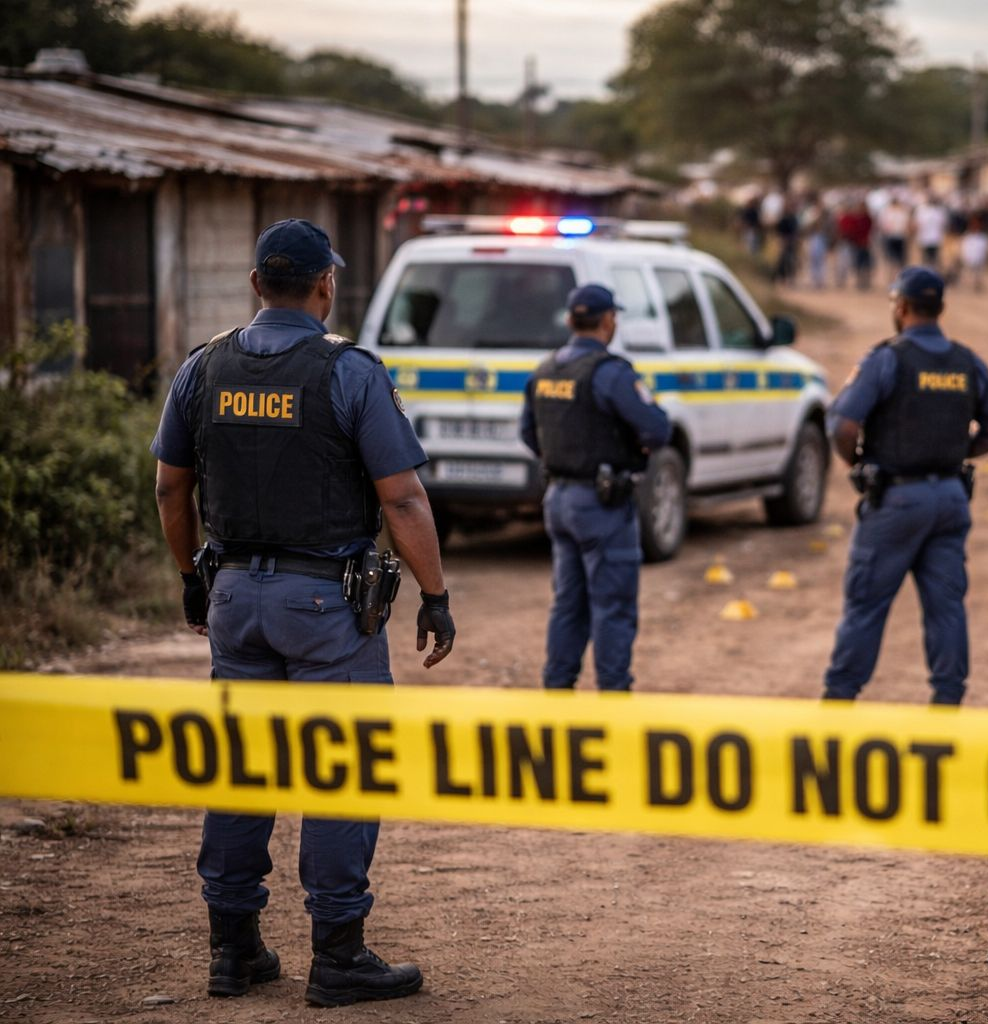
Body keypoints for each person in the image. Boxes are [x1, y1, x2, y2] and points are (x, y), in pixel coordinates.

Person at [152, 218, 456, 1007]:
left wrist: (191, 578)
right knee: (341, 767)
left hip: (233, 600)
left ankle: (234, 951)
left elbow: (170, 486)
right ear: (326, 285)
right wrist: (435, 595)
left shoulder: (202, 367)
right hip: (325, 606)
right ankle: (339, 956)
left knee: (241, 767)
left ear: (257, 283)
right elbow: (403, 498)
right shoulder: (349, 372)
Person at [821, 267, 988, 706]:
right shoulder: (967, 362)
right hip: (950, 499)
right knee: (946, 608)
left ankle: (838, 702)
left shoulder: (887, 359)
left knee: (866, 605)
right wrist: (954, 451)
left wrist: (857, 463)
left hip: (897, 499)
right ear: (940, 308)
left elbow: (842, 424)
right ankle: (947, 705)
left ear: (902, 307)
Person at [520, 284, 671, 692]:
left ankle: (557, 694)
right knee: (613, 607)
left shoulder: (546, 370)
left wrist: (565, 457)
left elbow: (529, 434)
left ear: (571, 320)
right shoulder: (610, 373)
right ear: (607, 321)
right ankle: (612, 700)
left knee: (568, 604)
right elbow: (657, 429)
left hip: (559, 499)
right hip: (602, 504)